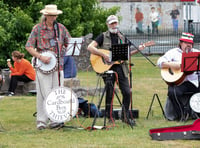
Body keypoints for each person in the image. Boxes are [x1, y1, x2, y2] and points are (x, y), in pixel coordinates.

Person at [87, 15, 146, 125]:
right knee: (110, 91)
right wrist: (103, 55)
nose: (114, 25)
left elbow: (127, 53)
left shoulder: (122, 37)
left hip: (120, 67)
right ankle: (109, 117)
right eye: (111, 23)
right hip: (107, 68)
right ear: (107, 24)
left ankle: (125, 116)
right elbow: (90, 47)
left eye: (115, 23)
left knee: (127, 92)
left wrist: (139, 49)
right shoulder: (103, 36)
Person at [25, 4, 71, 130]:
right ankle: (41, 121)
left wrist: (63, 51)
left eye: (54, 15)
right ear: (45, 15)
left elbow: (70, 43)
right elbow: (28, 46)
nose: (52, 17)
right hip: (42, 66)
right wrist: (40, 57)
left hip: (58, 67)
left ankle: (56, 119)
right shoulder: (37, 28)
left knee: (57, 94)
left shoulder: (61, 28)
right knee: (43, 93)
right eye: (50, 15)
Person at [157, 32, 200, 121]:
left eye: (190, 44)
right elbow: (159, 62)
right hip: (180, 82)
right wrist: (172, 65)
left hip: (194, 82)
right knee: (173, 92)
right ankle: (182, 114)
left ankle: (196, 113)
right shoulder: (173, 53)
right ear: (181, 43)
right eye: (186, 43)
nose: (188, 45)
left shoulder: (197, 53)